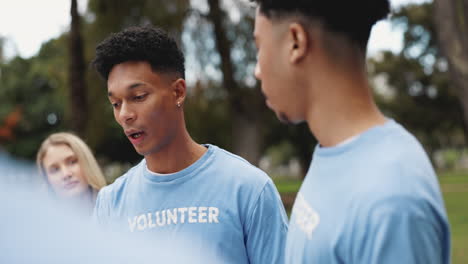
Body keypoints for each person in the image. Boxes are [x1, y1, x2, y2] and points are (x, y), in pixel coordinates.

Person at [250, 0, 450, 263]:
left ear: (296, 42)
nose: (257, 71)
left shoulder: (393, 200)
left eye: (259, 47)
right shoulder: (334, 154)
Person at [91, 26, 288, 264]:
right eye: (115, 103)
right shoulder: (110, 203)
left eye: (139, 97)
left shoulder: (249, 189)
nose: (125, 114)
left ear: (178, 92)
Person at [36, 132, 107, 214]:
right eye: (55, 170)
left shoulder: (116, 208)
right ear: (47, 180)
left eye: (72, 162)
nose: (66, 174)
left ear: (87, 162)